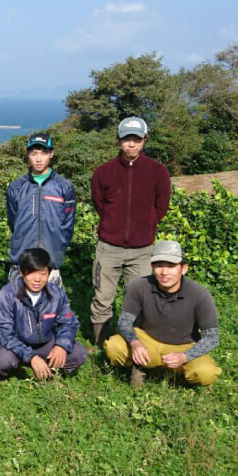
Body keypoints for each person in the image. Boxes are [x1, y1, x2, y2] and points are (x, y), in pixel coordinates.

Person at [90, 116, 171, 347]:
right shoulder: (103, 172)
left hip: (142, 249)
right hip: (108, 247)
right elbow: (100, 204)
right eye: (127, 139)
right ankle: (101, 343)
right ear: (119, 141)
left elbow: (161, 205)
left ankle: (131, 342)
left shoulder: (158, 171)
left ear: (145, 140)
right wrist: (112, 224)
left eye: (136, 139)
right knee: (102, 296)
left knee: (137, 299)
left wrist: (145, 225)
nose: (131, 145)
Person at [105, 240, 221, 388]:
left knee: (206, 373)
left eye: (171, 266)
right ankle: (138, 367)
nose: (164, 272)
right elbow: (124, 322)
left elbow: (212, 337)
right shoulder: (139, 286)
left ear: (184, 268)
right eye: (159, 265)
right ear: (152, 267)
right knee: (114, 347)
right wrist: (135, 342)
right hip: (147, 341)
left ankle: (180, 379)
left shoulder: (200, 294)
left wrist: (185, 356)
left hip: (183, 346)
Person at [0, 248, 87, 380]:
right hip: (15, 344)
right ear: (23, 273)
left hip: (44, 343)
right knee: (3, 362)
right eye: (32, 273)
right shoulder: (7, 294)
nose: (37, 279)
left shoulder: (56, 294)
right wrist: (30, 356)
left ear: (49, 274)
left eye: (42, 273)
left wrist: (61, 345)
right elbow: (3, 331)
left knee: (79, 353)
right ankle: (24, 364)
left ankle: (47, 366)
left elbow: (69, 323)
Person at [6, 133, 75, 287]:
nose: (38, 159)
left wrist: (57, 250)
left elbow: (67, 225)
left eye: (43, 153)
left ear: (51, 154)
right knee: (19, 307)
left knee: (50, 309)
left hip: (51, 261)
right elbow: (13, 222)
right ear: (28, 154)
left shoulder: (64, 187)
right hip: (22, 261)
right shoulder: (16, 188)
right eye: (34, 153)